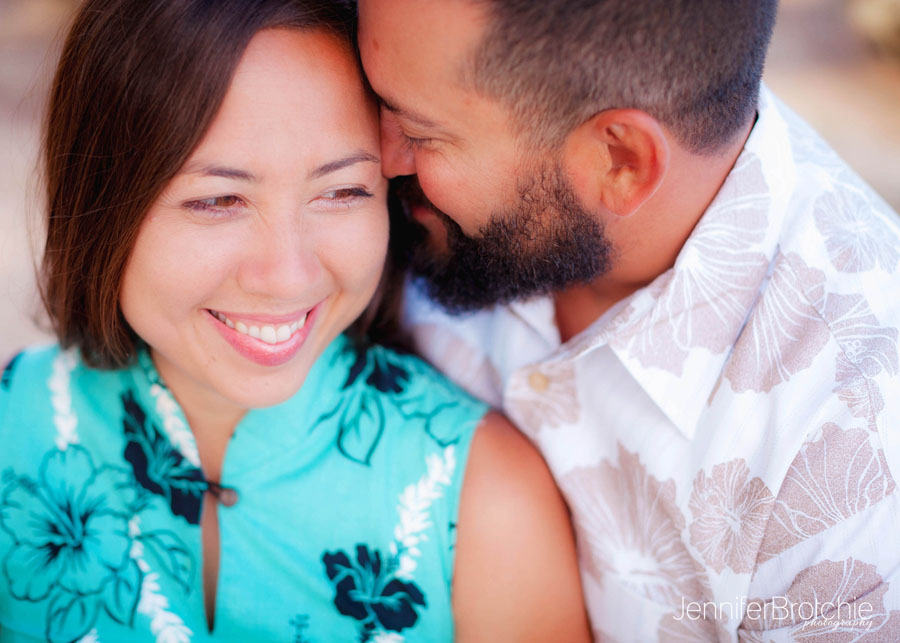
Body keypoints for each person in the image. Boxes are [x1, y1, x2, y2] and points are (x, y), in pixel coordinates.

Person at [0, 1, 591, 641]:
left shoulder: (484, 501)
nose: (288, 275)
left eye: (343, 191)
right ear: (99, 202)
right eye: (219, 200)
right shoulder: (13, 425)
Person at [357, 0, 900, 639]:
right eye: (375, 100)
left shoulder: (860, 461)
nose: (377, 156)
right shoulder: (475, 165)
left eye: (420, 134)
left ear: (619, 161)